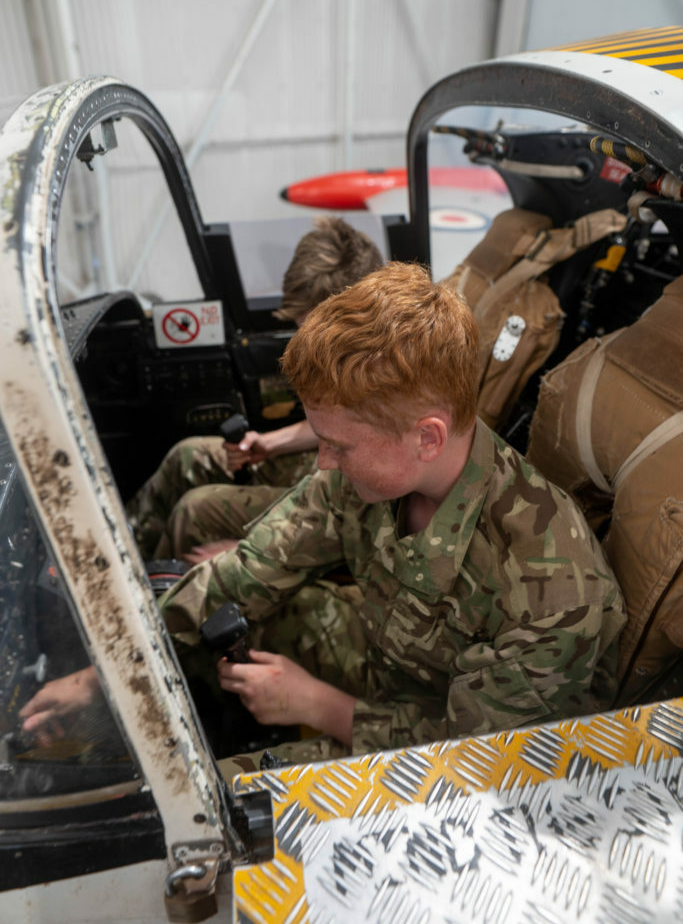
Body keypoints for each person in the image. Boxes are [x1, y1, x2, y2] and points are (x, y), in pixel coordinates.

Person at [156, 261, 626, 780]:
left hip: (444, 750)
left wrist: (320, 707)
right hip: (383, 654)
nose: (323, 462)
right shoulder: (369, 476)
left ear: (428, 437)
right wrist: (118, 669)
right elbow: (253, 568)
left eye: (339, 446)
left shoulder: (553, 592)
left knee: (217, 793)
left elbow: (477, 759)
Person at [127, 216, 383, 562]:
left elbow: (353, 507)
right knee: (187, 457)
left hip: (342, 500)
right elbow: (336, 428)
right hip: (322, 472)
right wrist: (268, 444)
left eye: (315, 327)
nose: (305, 337)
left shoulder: (386, 371)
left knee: (194, 510)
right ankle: (124, 553)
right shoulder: (341, 351)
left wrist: (254, 552)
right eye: (300, 325)